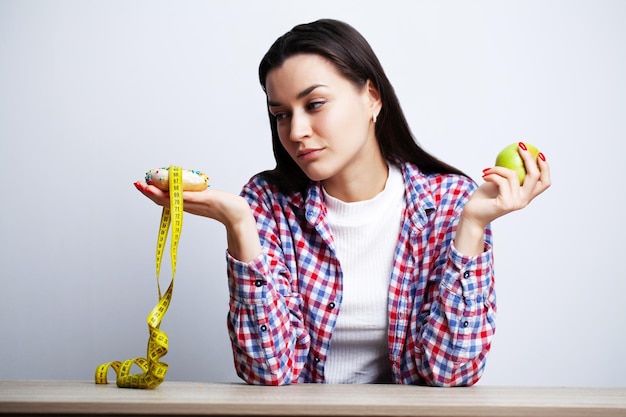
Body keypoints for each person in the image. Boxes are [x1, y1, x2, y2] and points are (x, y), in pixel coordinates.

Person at [134, 18, 551, 386]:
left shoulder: (449, 202)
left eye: (314, 104)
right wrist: (240, 225)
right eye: (281, 114)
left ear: (372, 97)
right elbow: (269, 372)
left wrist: (473, 225)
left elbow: (452, 373)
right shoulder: (267, 203)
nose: (296, 131)